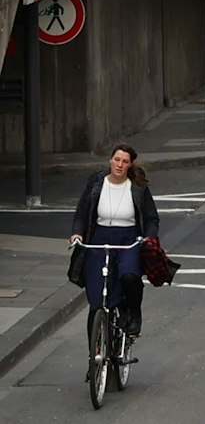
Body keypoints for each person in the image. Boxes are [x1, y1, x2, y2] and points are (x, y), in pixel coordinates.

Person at [70, 144, 161, 338]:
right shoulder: (96, 182)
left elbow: (151, 218)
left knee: (129, 275)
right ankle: (93, 359)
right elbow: (81, 214)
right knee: (96, 301)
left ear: (130, 165)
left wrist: (149, 238)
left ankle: (133, 312)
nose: (120, 164)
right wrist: (77, 234)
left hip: (128, 239)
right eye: (117, 159)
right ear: (111, 160)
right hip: (99, 239)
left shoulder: (137, 187)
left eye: (125, 161)